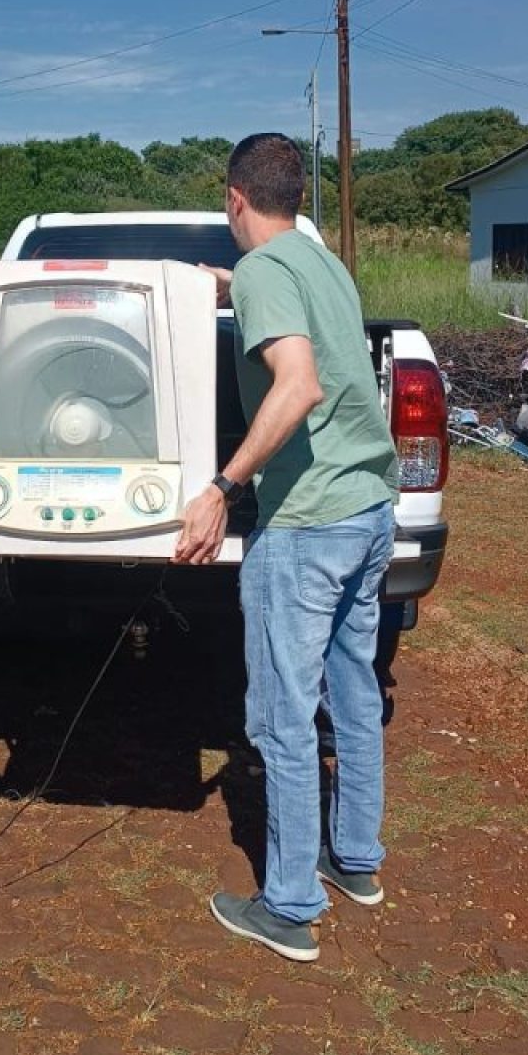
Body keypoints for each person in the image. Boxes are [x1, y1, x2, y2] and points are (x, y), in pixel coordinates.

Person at [174, 134, 398, 963]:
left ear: (234, 198)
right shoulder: (315, 261)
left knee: (281, 716)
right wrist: (227, 284)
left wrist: (223, 489)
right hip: (370, 509)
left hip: (306, 523)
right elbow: (302, 324)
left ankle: (291, 904)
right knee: (353, 694)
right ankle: (356, 862)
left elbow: (298, 385)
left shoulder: (270, 270)